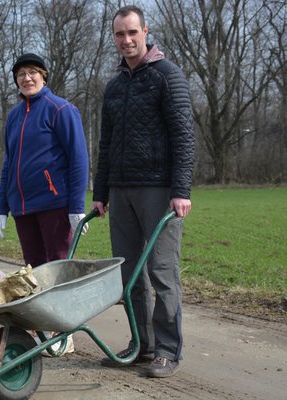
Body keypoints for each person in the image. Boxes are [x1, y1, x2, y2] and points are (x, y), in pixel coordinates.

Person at [92, 5, 195, 378]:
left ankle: (167, 349)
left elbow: (184, 137)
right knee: (129, 273)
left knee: (162, 270)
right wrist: (100, 191)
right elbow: (107, 144)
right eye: (120, 34)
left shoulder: (168, 76)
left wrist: (180, 190)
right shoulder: (115, 86)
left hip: (159, 189)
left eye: (132, 33)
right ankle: (142, 344)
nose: (127, 40)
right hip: (121, 192)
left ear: (145, 32)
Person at [0, 53, 90, 354]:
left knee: (58, 270)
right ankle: (43, 328)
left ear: (44, 76)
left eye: (33, 72)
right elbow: (9, 164)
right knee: (34, 274)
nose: (27, 78)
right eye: (21, 74)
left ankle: (65, 331)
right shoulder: (14, 116)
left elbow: (78, 158)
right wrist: (2, 207)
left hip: (55, 204)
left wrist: (76, 205)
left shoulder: (60, 109)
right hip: (24, 207)